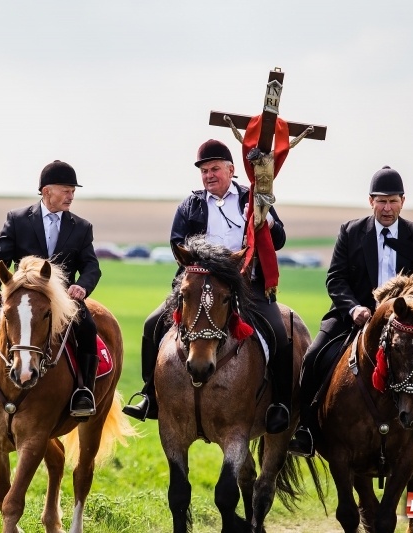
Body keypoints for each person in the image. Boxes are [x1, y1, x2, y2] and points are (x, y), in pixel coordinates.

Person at [288, 166, 413, 457]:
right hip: (354, 315)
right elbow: (335, 278)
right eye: (381, 201)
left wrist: (410, 310)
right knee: (314, 355)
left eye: (393, 200)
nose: (387, 207)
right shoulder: (350, 232)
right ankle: (306, 430)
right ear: (371, 201)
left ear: (403, 201)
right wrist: (353, 308)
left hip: (404, 320)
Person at [122, 139, 294, 434]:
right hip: (199, 285)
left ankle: (280, 404)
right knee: (152, 325)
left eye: (214, 168)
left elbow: (278, 241)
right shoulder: (191, 205)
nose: (209, 175)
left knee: (279, 333)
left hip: (247, 286)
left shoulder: (252, 199)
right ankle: (150, 395)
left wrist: (266, 218)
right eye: (204, 171)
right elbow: (178, 244)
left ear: (231, 170)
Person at [0, 160, 101, 419]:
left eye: (73, 190)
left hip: (62, 299)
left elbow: (91, 267)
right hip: (21, 296)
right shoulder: (17, 219)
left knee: (88, 328)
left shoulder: (81, 227)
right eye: (66, 189)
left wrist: (81, 287)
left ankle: (84, 391)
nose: (71, 195)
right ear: (46, 190)